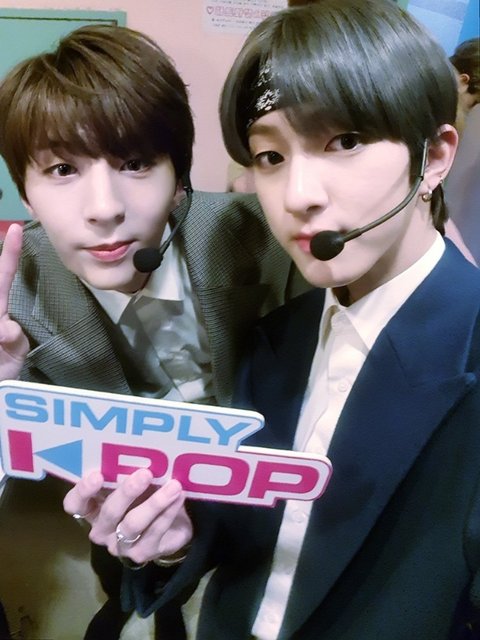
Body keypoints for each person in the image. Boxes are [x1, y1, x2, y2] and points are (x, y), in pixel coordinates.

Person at [65, 2, 480, 639]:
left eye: (345, 141)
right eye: (269, 156)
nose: (298, 196)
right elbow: (247, 531)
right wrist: (174, 538)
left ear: (436, 156)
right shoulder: (279, 335)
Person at [0, 24, 303, 640]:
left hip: (260, 498)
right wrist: (4, 391)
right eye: (62, 169)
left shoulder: (264, 237)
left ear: (178, 176)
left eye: (136, 163)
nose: (104, 208)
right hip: (124, 510)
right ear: (25, 193)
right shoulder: (18, 290)